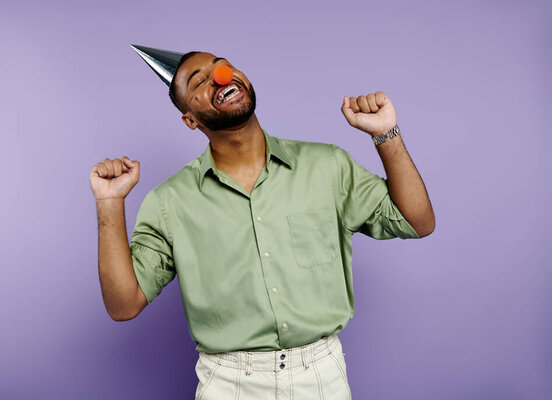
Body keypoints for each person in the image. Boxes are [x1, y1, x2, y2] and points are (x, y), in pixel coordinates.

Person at [89, 47, 435, 400]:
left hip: (320, 376)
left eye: (222, 67)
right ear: (190, 120)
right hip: (229, 383)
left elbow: (416, 221)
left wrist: (386, 133)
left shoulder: (327, 165)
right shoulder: (168, 202)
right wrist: (110, 202)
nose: (219, 77)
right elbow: (123, 304)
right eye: (199, 81)